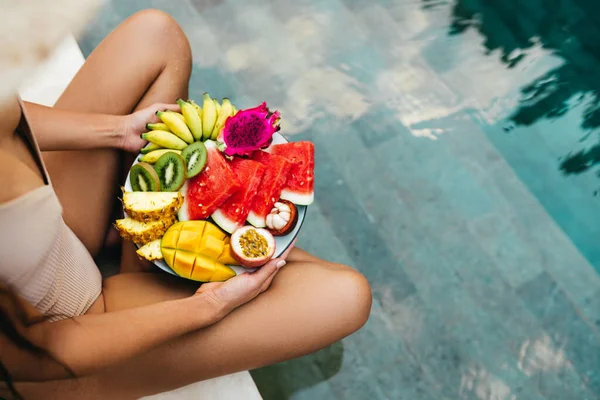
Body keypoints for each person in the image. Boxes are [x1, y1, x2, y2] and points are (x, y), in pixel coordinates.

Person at [0, 7, 372, 399]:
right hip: (74, 332)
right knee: (346, 295)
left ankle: (152, 248)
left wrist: (119, 131)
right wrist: (205, 308)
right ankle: (159, 261)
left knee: (155, 34)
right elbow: (43, 353)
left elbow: (8, 116)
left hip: (47, 233)